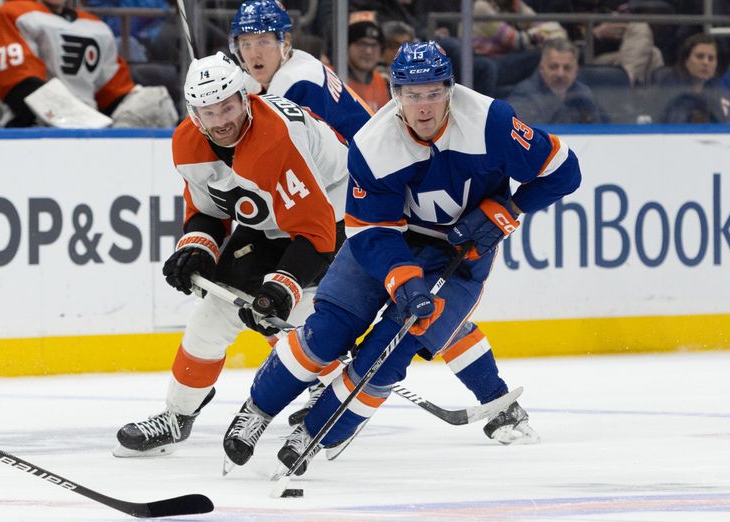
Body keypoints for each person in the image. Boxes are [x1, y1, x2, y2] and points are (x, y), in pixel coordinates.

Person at [222, 41, 581, 476]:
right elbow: (372, 230)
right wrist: (402, 278)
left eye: (433, 93)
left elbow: (564, 170)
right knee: (328, 331)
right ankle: (257, 411)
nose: (423, 106)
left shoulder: (492, 122)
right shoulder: (374, 144)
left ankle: (316, 435)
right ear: (395, 94)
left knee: (387, 354)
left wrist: (509, 209)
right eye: (412, 94)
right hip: (387, 245)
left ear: (450, 89)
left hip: (459, 256)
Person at [113, 51, 350, 457]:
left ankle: (331, 394)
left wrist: (280, 287)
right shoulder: (188, 142)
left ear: (246, 98)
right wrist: (197, 250)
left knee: (292, 314)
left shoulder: (276, 137)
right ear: (193, 113)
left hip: (338, 213)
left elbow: (315, 230)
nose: (221, 120)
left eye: (228, 106)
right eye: (208, 111)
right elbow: (207, 211)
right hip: (272, 221)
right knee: (211, 316)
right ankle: (176, 416)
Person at [0, 0, 177, 127]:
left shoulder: (95, 25)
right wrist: (82, 122)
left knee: (153, 102)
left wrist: (142, 108)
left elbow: (112, 94)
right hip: (33, 127)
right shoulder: (13, 13)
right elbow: (21, 88)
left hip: (89, 128)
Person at [228, 0, 372, 142]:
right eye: (246, 44)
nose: (254, 54)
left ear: (286, 42)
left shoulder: (296, 83)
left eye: (263, 42)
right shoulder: (297, 61)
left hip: (369, 160)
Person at [508, 38, 606, 124]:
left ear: (576, 70)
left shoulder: (584, 94)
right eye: (553, 67)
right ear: (541, 68)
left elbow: (600, 130)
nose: (560, 74)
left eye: (567, 68)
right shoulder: (524, 94)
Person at [652, 33, 728, 123]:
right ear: (686, 60)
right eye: (700, 56)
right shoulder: (669, 85)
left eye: (711, 58)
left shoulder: (718, 90)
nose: (706, 62)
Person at [346, 17, 391, 112]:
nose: (368, 51)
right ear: (347, 46)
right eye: (362, 44)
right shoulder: (331, 77)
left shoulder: (383, 82)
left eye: (374, 45)